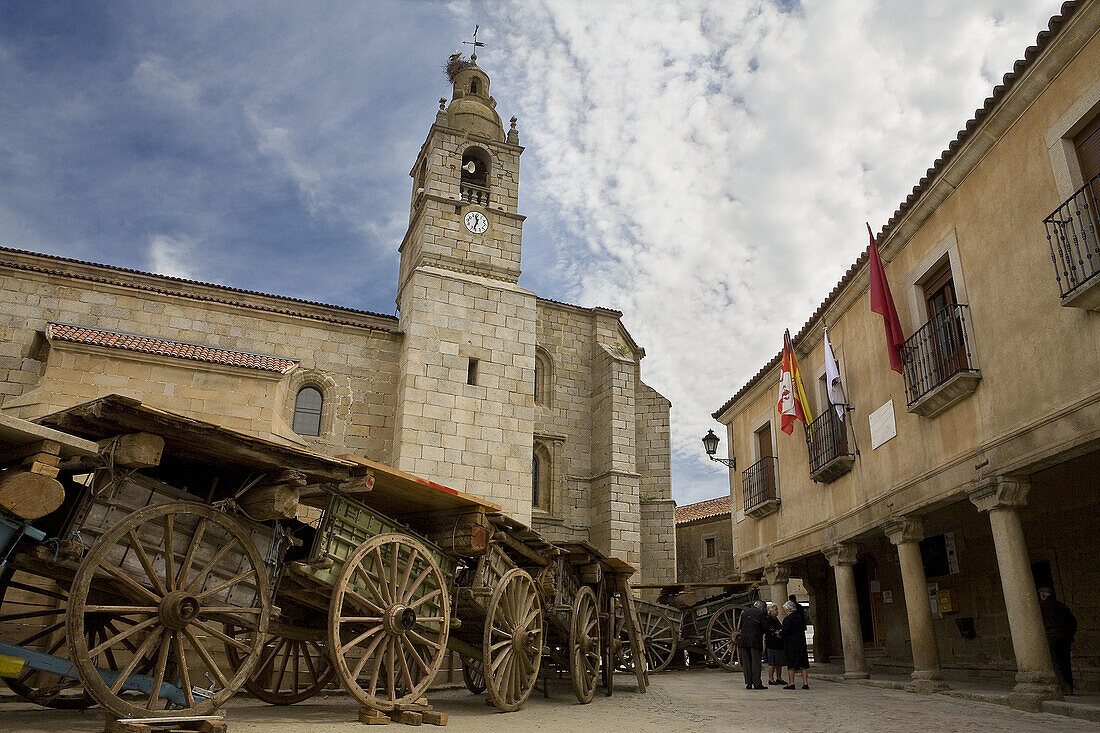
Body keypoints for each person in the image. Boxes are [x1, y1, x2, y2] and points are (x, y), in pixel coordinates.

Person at [1038, 587, 1077, 695]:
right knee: (1065, 662)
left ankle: (1063, 687)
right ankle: (1069, 688)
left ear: (1042, 596)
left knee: (1055, 662)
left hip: (1051, 636)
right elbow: (1073, 621)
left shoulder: (1041, 606)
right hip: (1065, 637)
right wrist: (1070, 633)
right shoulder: (1061, 605)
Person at [737, 600, 767, 690]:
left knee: (746, 663)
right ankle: (757, 683)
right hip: (755, 640)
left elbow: (741, 627)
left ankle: (748, 683)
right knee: (756, 662)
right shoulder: (760, 613)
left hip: (744, 640)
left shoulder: (745, 613)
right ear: (761, 607)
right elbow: (764, 628)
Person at [780, 600, 810, 689]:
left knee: (791, 664)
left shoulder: (787, 619)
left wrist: (780, 634)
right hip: (801, 642)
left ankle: (791, 683)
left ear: (787, 609)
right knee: (803, 665)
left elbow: (785, 632)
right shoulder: (800, 618)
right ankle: (805, 683)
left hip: (791, 644)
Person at [764, 602, 785, 685]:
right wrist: (776, 633)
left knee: (779, 662)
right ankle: (771, 679)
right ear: (771, 611)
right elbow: (769, 630)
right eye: (776, 610)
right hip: (772, 643)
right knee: (772, 663)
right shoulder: (768, 619)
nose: (777, 611)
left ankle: (779, 678)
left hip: (778, 643)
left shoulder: (775, 619)